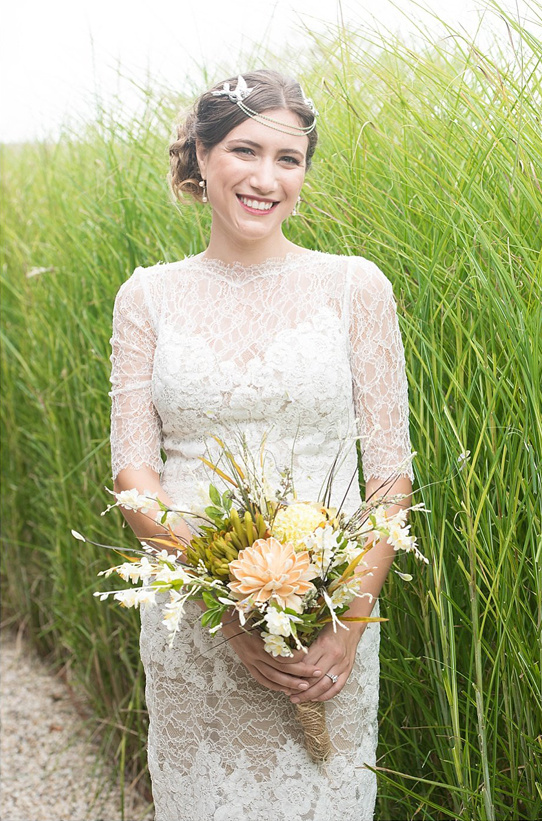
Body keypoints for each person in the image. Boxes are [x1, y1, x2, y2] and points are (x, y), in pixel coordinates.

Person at [109, 69, 414, 821]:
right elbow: (135, 475)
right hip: (196, 617)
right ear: (200, 157)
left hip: (331, 616)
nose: (266, 177)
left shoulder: (355, 288)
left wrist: (347, 621)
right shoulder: (147, 295)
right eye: (245, 150)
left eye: (290, 159)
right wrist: (224, 607)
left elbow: (391, 476)